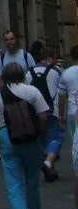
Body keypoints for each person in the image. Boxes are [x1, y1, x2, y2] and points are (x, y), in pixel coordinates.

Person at [0, 60, 51, 209]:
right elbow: (44, 116)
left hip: (7, 137)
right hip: (31, 137)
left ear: (4, 77)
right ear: (22, 75)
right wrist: (41, 136)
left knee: (13, 180)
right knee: (32, 178)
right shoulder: (32, 91)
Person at [29, 45, 64, 181]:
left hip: (36, 112)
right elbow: (62, 91)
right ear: (50, 58)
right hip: (53, 110)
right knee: (57, 137)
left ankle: (50, 170)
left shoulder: (29, 71)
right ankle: (48, 162)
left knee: (43, 139)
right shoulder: (57, 71)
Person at [49, 43, 78, 204]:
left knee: (76, 142)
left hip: (73, 112)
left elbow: (61, 97)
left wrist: (61, 115)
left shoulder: (66, 73)